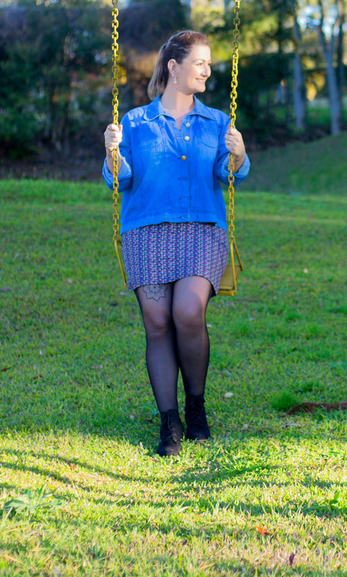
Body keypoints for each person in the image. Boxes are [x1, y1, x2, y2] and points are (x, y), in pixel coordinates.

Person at [102, 30, 249, 457]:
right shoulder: (134, 122)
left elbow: (229, 174)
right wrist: (112, 153)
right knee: (157, 322)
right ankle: (169, 421)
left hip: (202, 228)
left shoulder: (218, 121)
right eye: (200, 62)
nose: (207, 69)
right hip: (146, 230)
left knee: (187, 311)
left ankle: (196, 406)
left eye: (208, 63)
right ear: (174, 67)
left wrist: (238, 154)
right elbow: (120, 179)